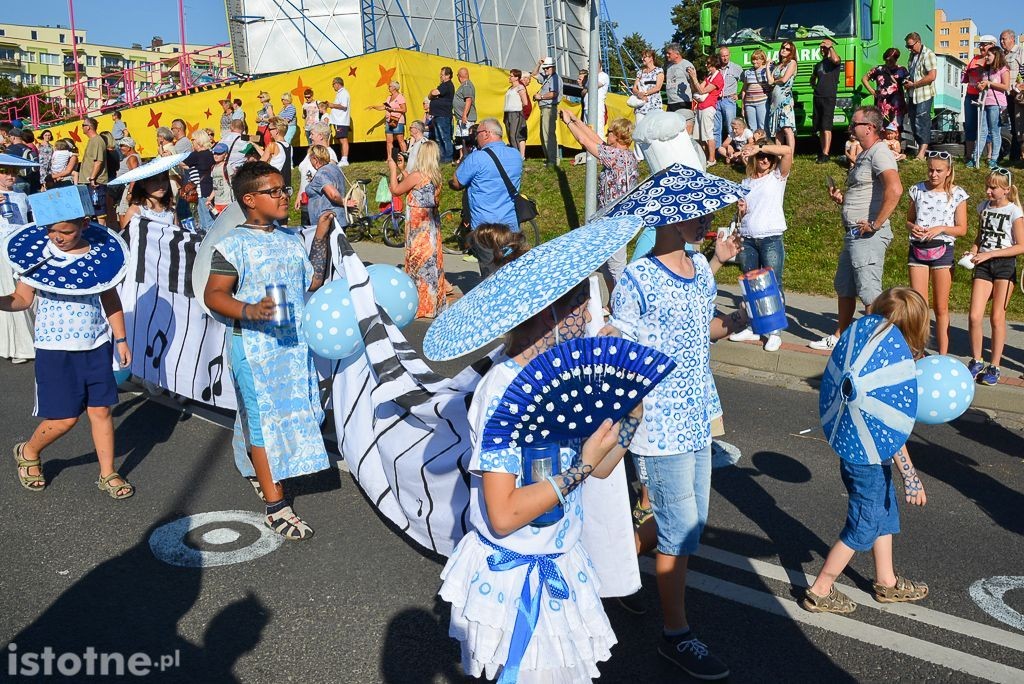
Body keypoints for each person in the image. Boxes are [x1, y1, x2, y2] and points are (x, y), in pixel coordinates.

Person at [438, 230, 636, 681]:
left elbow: (602, 467)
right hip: (515, 579)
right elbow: (505, 514)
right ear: (550, 312)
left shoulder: (563, 378)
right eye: (582, 306)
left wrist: (630, 410)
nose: (590, 318)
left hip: (561, 559)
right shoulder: (503, 393)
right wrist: (582, 466)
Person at [607, 214, 745, 682]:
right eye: (698, 215)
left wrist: (733, 322)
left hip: (696, 415)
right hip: (658, 423)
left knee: (693, 523)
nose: (708, 222)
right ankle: (675, 634)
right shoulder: (638, 277)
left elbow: (699, 332)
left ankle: (612, 563)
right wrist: (612, 344)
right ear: (670, 218)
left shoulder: (701, 269)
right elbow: (620, 346)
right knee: (679, 530)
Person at [204, 161, 329, 539]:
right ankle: (276, 506)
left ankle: (254, 467)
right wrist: (249, 310)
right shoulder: (233, 245)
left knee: (292, 412)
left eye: (284, 190)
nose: (284, 196)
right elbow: (214, 295)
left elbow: (315, 279)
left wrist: (320, 236)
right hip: (254, 347)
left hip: (292, 345)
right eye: (273, 191)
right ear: (250, 199)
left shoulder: (290, 238)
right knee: (263, 422)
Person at [802, 287, 931, 615]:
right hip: (867, 462)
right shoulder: (884, 379)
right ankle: (820, 589)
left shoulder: (863, 361)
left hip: (860, 452)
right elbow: (894, 434)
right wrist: (911, 476)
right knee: (863, 524)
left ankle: (886, 581)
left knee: (883, 512)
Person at [1, 217, 134, 499]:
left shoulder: (99, 257)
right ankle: (29, 451)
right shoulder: (36, 257)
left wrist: (120, 339)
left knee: (101, 411)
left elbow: (110, 300)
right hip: (54, 348)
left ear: (84, 225)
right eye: (51, 230)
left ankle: (108, 472)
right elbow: (22, 299)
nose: (57, 237)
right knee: (64, 419)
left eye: (66, 231)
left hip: (96, 344)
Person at [811, 106, 902, 351]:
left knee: (869, 293)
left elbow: (895, 189)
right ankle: (840, 336)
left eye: (855, 124)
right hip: (853, 234)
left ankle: (877, 346)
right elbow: (865, 191)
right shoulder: (864, 153)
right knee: (845, 287)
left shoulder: (880, 152)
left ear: (870, 128)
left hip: (868, 235)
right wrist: (842, 198)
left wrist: (875, 224)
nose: (851, 128)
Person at [560, 110, 639, 291]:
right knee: (605, 263)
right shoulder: (624, 155)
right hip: (612, 218)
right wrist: (576, 120)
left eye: (610, 131)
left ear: (618, 136)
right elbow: (597, 140)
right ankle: (612, 302)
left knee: (616, 265)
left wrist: (568, 124)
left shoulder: (616, 157)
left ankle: (623, 303)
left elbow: (585, 142)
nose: (607, 133)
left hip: (616, 220)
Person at [728, 139, 794, 352]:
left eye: (768, 157)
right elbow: (743, 213)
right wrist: (741, 210)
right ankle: (753, 325)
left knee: (772, 284)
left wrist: (760, 147)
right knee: (751, 286)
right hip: (748, 238)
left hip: (770, 237)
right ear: (754, 160)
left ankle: (774, 331)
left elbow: (787, 151)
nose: (765, 159)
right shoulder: (746, 182)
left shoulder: (777, 177)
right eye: (761, 157)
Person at [905, 151, 968, 356]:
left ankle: (942, 354)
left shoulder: (957, 193)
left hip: (943, 250)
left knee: (940, 306)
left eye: (939, 171)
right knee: (919, 305)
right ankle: (918, 350)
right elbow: (909, 220)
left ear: (948, 171)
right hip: (918, 249)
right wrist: (912, 227)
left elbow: (962, 229)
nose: (933, 174)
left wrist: (940, 228)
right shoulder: (917, 189)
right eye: (930, 169)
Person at [966, 170, 1024, 386]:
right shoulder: (983, 207)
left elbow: (1020, 246)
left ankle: (995, 365)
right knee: (974, 315)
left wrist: (990, 254)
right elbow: (980, 237)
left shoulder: (1014, 211)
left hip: (1004, 266)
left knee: (997, 317)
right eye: (987, 186)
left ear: (1006, 190)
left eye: (993, 188)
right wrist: (972, 251)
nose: (988, 191)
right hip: (983, 264)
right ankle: (976, 360)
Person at [449, 118, 522, 277]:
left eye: (478, 133)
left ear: (487, 134)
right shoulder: (516, 155)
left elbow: (456, 182)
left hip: (485, 229)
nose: (476, 137)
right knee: (510, 272)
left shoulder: (477, 158)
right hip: (511, 227)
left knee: (490, 275)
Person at [386, 139, 449, 319]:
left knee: (418, 263)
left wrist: (392, 170)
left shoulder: (417, 175)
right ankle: (434, 303)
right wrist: (402, 169)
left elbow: (396, 190)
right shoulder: (436, 177)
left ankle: (421, 305)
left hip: (418, 226)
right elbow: (416, 188)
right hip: (431, 226)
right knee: (432, 263)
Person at [0, 163, 34, 365]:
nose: (11, 177)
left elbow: (31, 220)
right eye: (5, 173)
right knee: (9, 291)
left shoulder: (22, 195)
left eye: (13, 173)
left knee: (28, 292)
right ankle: (18, 347)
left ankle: (28, 339)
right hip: (1, 248)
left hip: (21, 248)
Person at [295, 123, 337, 228]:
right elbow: (305, 175)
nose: (310, 136)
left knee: (316, 235)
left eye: (312, 134)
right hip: (306, 200)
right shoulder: (311, 152)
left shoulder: (329, 154)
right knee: (307, 234)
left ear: (321, 136)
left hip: (318, 203)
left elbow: (329, 181)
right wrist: (299, 194)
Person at [904, 32, 937, 161]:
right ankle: (920, 150)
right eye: (908, 46)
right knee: (913, 123)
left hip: (924, 94)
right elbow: (913, 74)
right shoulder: (912, 56)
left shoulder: (928, 54)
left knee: (922, 121)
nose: (909, 49)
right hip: (912, 94)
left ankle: (922, 153)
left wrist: (914, 84)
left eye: (911, 46)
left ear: (918, 42)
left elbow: (932, 76)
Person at [977, 47, 1011, 169]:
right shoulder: (986, 70)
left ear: (996, 56)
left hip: (996, 104)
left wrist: (989, 84)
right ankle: (975, 157)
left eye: (989, 55)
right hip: (984, 103)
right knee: (982, 131)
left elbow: (1006, 86)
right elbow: (984, 85)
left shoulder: (1003, 69)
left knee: (994, 131)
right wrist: (980, 86)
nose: (986, 57)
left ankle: (994, 159)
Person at [963, 37, 995, 166]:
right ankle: (969, 155)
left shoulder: (993, 60)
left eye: (984, 45)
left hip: (985, 96)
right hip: (971, 94)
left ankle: (989, 156)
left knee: (985, 127)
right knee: (970, 125)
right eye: (980, 45)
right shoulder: (974, 59)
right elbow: (967, 77)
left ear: (992, 45)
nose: (981, 47)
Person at [304, 144, 348, 236]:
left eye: (310, 159)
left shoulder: (321, 174)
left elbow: (333, 194)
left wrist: (344, 202)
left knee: (326, 249)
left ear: (315, 159)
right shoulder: (335, 168)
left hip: (326, 222)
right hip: (339, 218)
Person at [862, 48, 910, 131]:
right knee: (882, 128)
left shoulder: (901, 70)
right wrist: (872, 91)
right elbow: (864, 79)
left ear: (896, 59)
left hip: (897, 103)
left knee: (896, 129)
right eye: (886, 60)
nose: (888, 62)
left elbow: (908, 83)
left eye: (891, 60)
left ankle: (896, 144)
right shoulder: (879, 69)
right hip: (882, 103)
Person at [811, 39, 842, 163]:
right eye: (822, 48)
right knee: (819, 126)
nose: (823, 49)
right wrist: (814, 85)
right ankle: (822, 151)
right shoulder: (819, 64)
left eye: (825, 47)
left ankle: (826, 153)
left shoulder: (834, 62)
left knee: (826, 126)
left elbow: (835, 59)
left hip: (829, 96)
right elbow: (813, 78)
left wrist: (831, 48)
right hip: (818, 97)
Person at [631, 50, 664, 161]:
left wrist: (645, 93)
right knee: (639, 128)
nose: (643, 59)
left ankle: (655, 152)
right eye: (643, 57)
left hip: (653, 103)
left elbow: (658, 87)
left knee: (653, 128)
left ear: (651, 58)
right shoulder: (640, 72)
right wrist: (638, 93)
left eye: (645, 57)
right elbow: (634, 87)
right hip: (641, 104)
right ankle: (639, 155)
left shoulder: (659, 71)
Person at [182, 129, 217, 232]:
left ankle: (207, 242)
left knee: (205, 220)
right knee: (211, 217)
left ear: (198, 140)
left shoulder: (196, 155)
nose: (191, 141)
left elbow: (183, 163)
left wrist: (170, 156)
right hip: (211, 190)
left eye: (193, 139)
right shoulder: (211, 153)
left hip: (202, 190)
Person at [532, 57, 563, 167]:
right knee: (544, 134)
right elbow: (534, 74)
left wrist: (541, 97)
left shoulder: (555, 79)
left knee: (548, 135)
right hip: (545, 108)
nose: (545, 70)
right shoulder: (547, 77)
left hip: (549, 108)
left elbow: (553, 94)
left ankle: (553, 160)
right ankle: (550, 159)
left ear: (553, 67)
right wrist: (538, 64)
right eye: (544, 68)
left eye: (547, 68)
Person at [767, 41, 798, 150]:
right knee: (778, 130)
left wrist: (775, 81)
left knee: (787, 128)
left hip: (785, 100)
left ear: (792, 52)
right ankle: (778, 156)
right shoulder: (777, 65)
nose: (784, 50)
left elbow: (784, 79)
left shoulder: (792, 63)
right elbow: (769, 81)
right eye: (783, 47)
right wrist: (767, 66)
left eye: (788, 49)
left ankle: (790, 156)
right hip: (775, 101)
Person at [366, 81, 407, 161]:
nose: (388, 87)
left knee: (400, 139)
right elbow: (383, 107)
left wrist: (393, 109)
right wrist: (374, 107)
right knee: (389, 141)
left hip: (397, 120)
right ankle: (390, 158)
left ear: (394, 88)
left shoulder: (400, 97)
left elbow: (404, 109)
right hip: (389, 121)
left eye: (390, 86)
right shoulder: (389, 97)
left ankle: (405, 157)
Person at [80, 117, 111, 225]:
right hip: (89, 182)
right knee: (90, 212)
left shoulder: (97, 140)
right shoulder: (92, 140)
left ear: (88, 127)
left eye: (83, 125)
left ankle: (103, 236)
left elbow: (98, 161)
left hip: (95, 182)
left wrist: (92, 178)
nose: (82, 128)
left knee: (99, 213)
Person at [695, 56, 724, 166]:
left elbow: (702, 90)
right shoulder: (709, 77)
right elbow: (697, 88)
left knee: (708, 135)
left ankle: (712, 159)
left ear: (714, 65)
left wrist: (694, 77)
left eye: (709, 64)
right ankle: (704, 157)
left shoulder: (718, 78)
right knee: (700, 136)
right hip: (701, 107)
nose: (706, 66)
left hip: (709, 108)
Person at [715, 46, 743, 151]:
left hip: (729, 100)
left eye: (726, 55)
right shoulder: (716, 69)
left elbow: (747, 82)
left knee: (732, 127)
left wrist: (738, 95)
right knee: (716, 127)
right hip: (717, 100)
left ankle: (734, 150)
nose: (725, 58)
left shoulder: (736, 68)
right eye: (722, 56)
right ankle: (718, 151)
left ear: (730, 55)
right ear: (719, 56)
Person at [1002, 30, 1024, 161]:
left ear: (1012, 39)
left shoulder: (1020, 51)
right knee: (1012, 126)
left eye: (1004, 38)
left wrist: (1019, 87)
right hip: (1006, 94)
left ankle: (1017, 156)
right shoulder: (1004, 54)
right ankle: (1014, 155)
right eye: (1001, 39)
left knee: (1019, 125)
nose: (1002, 41)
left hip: (1017, 95)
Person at [428, 67, 456, 164]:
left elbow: (434, 93)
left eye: (442, 74)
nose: (440, 76)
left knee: (444, 137)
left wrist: (431, 93)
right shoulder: (443, 85)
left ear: (448, 75)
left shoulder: (446, 85)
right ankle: (442, 158)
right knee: (438, 138)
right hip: (439, 115)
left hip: (443, 115)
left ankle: (447, 158)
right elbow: (432, 94)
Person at [503, 69, 529, 159]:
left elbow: (525, 102)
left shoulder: (520, 88)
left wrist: (517, 106)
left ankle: (518, 156)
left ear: (517, 78)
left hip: (516, 113)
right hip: (507, 113)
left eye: (511, 76)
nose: (510, 77)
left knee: (514, 135)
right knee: (509, 134)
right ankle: (514, 154)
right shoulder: (509, 89)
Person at [741, 49, 770, 132]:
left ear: (763, 59)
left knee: (763, 126)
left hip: (762, 102)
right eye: (753, 59)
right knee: (752, 127)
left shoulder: (766, 70)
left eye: (757, 59)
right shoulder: (748, 72)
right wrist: (743, 106)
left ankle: (765, 144)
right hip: (749, 104)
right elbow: (744, 89)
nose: (754, 62)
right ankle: (755, 144)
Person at [113, 136, 141, 219]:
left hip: (129, 187)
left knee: (123, 212)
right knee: (121, 211)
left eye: (122, 146)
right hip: (127, 187)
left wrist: (130, 192)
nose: (120, 148)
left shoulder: (132, 158)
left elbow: (135, 175)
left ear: (129, 147)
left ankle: (125, 231)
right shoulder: (131, 157)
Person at [664, 43, 697, 114]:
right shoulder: (668, 67)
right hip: (670, 102)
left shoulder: (686, 65)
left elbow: (693, 83)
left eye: (669, 53)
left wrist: (694, 97)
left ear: (677, 54)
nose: (667, 55)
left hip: (682, 102)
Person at [453, 68, 477, 164]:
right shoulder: (464, 85)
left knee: (467, 137)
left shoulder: (466, 85)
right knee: (460, 137)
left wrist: (464, 115)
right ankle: (461, 157)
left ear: (460, 76)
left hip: (466, 118)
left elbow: (468, 100)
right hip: (460, 118)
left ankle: (468, 158)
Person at [328, 77, 352, 166]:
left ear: (337, 84)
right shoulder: (340, 93)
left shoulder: (344, 93)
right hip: (338, 121)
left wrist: (332, 105)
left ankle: (345, 159)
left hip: (341, 121)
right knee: (340, 140)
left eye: (333, 84)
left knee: (343, 139)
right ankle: (343, 159)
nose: (333, 86)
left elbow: (344, 106)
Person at [209, 142, 234, 215]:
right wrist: (210, 198)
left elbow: (233, 181)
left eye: (219, 153)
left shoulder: (227, 166)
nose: (216, 155)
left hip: (227, 201)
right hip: (217, 202)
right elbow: (215, 186)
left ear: (225, 155)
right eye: (214, 153)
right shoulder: (213, 167)